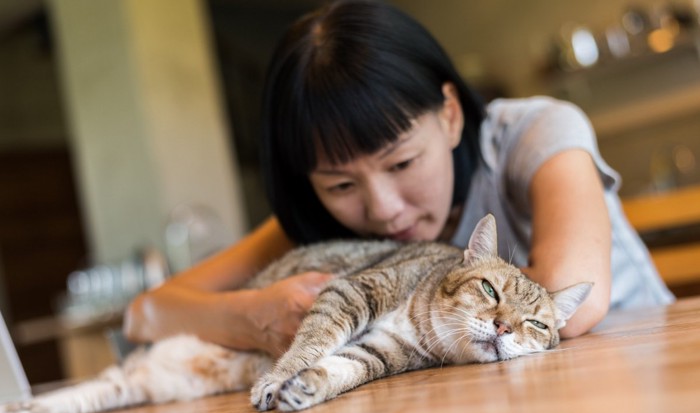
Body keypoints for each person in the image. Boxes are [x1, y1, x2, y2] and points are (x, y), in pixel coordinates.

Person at [123, 0, 673, 357]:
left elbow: (576, 302)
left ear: (451, 114)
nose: (383, 209)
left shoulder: (533, 134)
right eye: (340, 185)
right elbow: (147, 313)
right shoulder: (316, 215)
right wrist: (253, 317)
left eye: (402, 163)